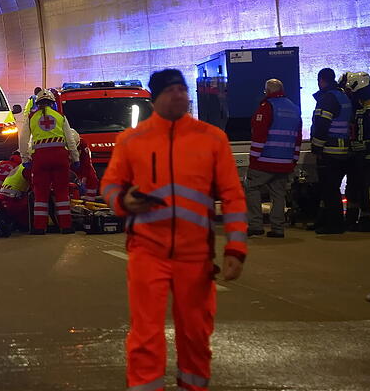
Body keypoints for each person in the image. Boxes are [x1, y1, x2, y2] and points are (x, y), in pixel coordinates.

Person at [101, 69, 246, 391]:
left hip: (195, 257)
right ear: (155, 99)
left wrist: (236, 249)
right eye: (171, 90)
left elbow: (233, 196)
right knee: (145, 335)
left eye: (183, 89)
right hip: (147, 252)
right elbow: (109, 185)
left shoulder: (212, 139)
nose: (180, 95)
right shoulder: (131, 140)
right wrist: (123, 200)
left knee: (196, 334)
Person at [245, 78, 302, 239]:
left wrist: (253, 158)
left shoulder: (267, 107)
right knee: (278, 194)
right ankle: (278, 228)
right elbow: (298, 137)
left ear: (268, 91)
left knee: (252, 188)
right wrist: (294, 158)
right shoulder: (294, 108)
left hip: (265, 160)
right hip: (285, 162)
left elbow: (259, 134)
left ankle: (256, 225)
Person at [18, 89, 79, 234]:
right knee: (62, 192)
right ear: (53, 104)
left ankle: (39, 227)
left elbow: (23, 140)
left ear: (37, 104)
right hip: (60, 157)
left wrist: (25, 158)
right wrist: (75, 158)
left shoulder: (31, 117)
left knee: (40, 193)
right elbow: (70, 139)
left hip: (41, 158)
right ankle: (66, 226)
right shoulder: (60, 117)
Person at [311, 67, 353, 234]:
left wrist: (317, 147)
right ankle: (327, 221)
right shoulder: (342, 96)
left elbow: (322, 124)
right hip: (344, 151)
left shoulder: (328, 98)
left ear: (321, 80)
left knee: (330, 190)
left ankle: (334, 225)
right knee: (333, 188)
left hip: (330, 150)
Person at [344, 72, 370, 231]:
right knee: (358, 186)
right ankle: (364, 218)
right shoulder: (360, 104)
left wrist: (369, 151)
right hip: (359, 154)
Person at [69, 128, 100, 200]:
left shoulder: (83, 145)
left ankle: (90, 200)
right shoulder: (62, 145)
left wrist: (83, 179)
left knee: (92, 179)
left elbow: (86, 164)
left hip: (80, 165)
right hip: (68, 167)